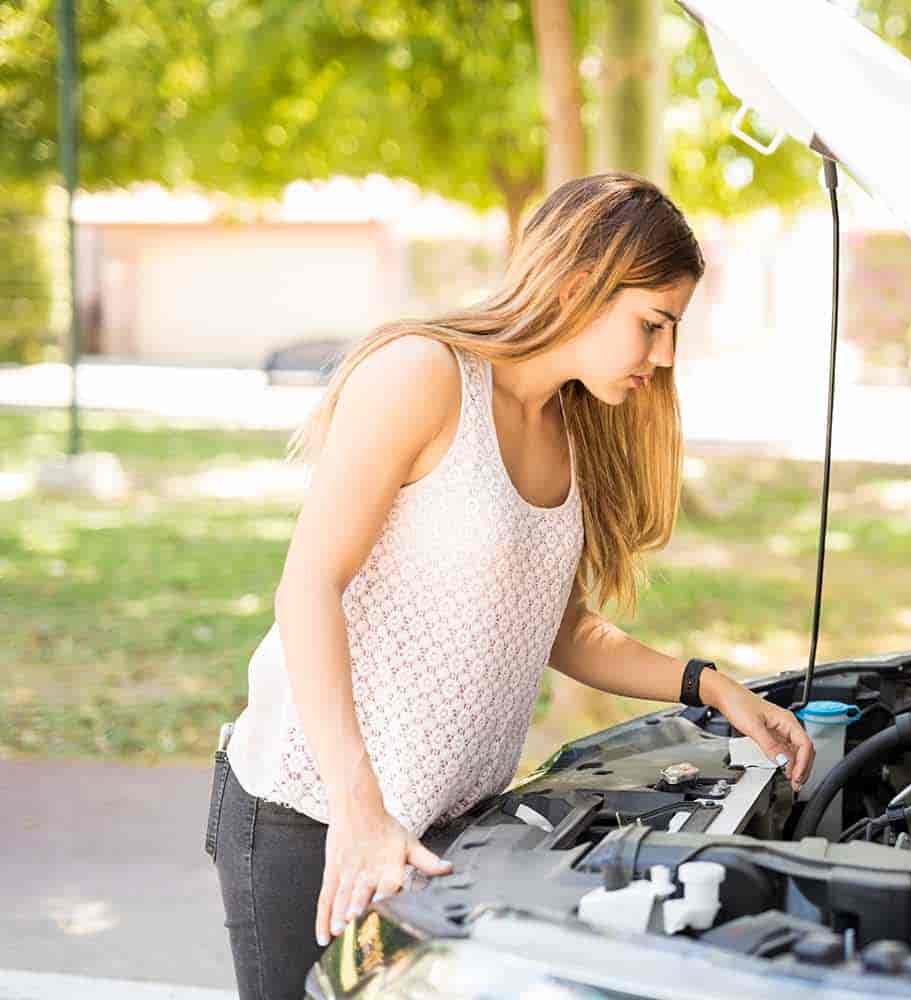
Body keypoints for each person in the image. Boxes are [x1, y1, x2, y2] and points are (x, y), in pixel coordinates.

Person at [202, 172, 815, 1000]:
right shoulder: (424, 374)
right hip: (313, 814)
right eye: (653, 324)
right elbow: (309, 584)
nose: (664, 356)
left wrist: (709, 686)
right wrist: (358, 806)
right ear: (578, 283)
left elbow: (558, 627)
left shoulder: (573, 430)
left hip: (447, 828)